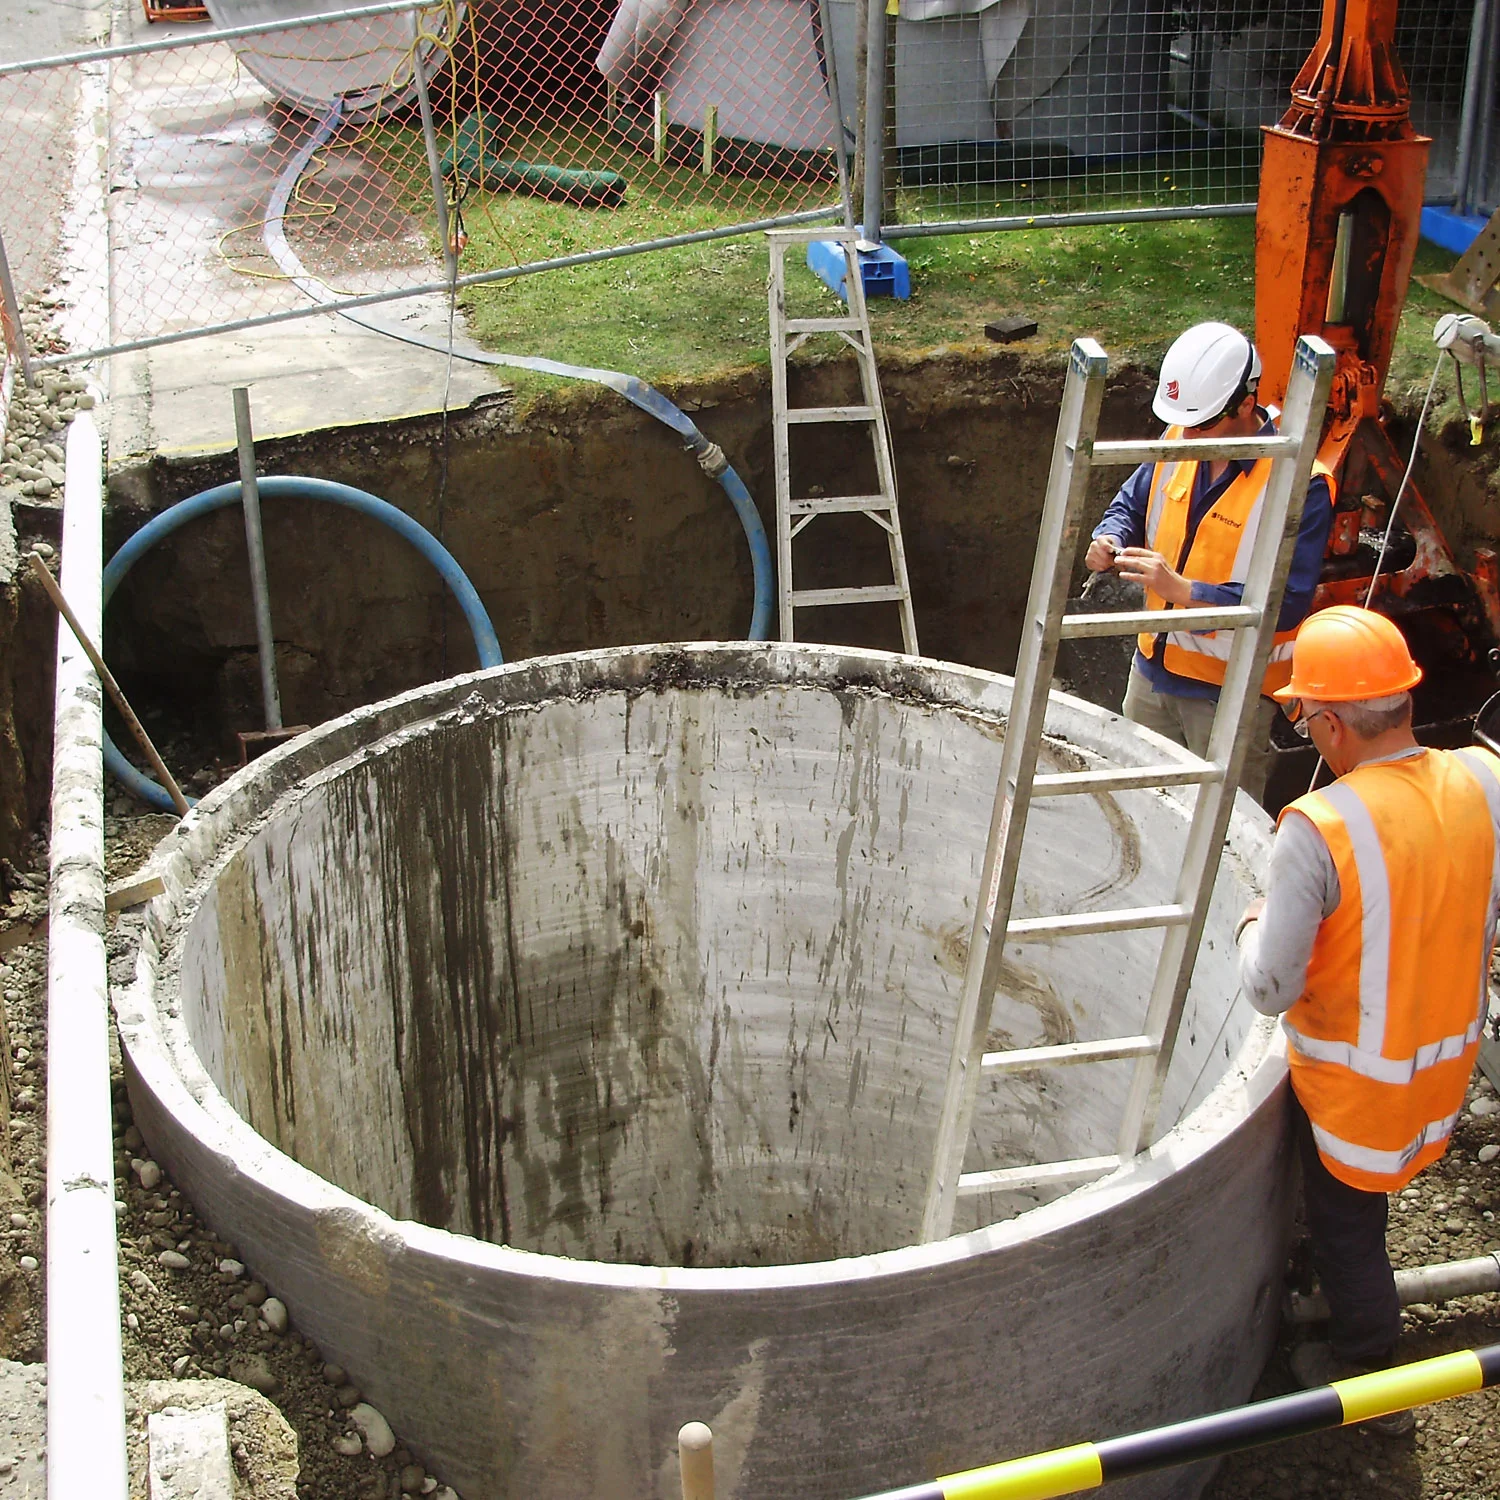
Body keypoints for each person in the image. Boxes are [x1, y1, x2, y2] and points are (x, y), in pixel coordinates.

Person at [1236, 605, 1500, 1434]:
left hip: (1357, 1096)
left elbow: (1270, 987)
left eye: (1307, 716)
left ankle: (1368, 1371)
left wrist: (1252, 924)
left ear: (1327, 721)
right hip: (1443, 1070)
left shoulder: (1319, 829)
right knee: (1361, 1212)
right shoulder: (1483, 781)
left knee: (1349, 1232)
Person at [1084, 321, 1335, 804]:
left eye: (1203, 425)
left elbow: (1287, 603)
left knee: (1222, 827)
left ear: (1246, 404)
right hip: (1152, 671)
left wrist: (1186, 593)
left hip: (1228, 694)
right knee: (1136, 807)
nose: (1189, 435)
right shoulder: (1181, 434)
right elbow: (1132, 504)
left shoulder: (1301, 483)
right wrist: (1109, 536)